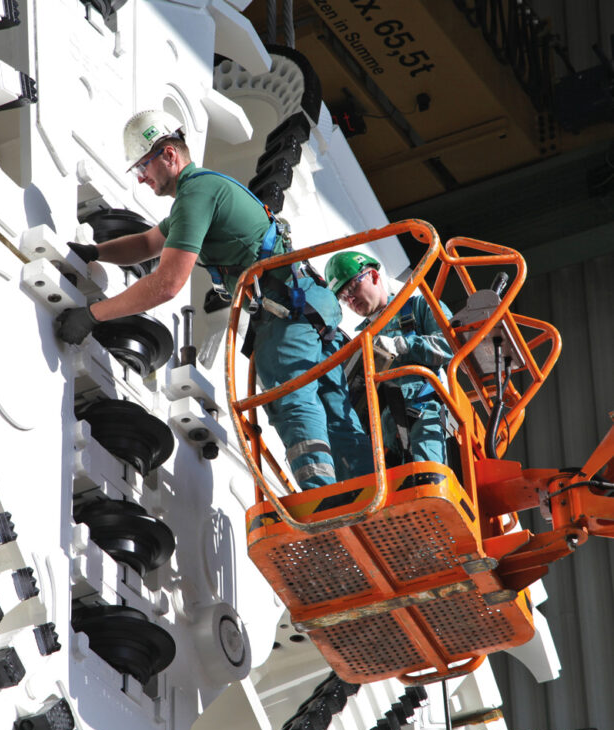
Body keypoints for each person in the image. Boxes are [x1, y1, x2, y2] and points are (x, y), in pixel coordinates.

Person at [56, 109, 366, 489]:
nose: (141, 177)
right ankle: (365, 497)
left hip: (287, 310)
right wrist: (96, 252)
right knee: (336, 412)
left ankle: (326, 503)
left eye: (144, 165)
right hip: (306, 305)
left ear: (169, 154)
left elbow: (166, 284)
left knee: (292, 399)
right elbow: (148, 243)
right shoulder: (202, 191)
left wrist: (92, 315)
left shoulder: (195, 194)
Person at [324, 251, 453, 472]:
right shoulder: (359, 342)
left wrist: (402, 345)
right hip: (382, 431)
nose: (350, 299)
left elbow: (450, 345)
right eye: (343, 297)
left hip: (423, 412)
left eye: (351, 288)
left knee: (427, 477)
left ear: (373, 276)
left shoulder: (419, 307)